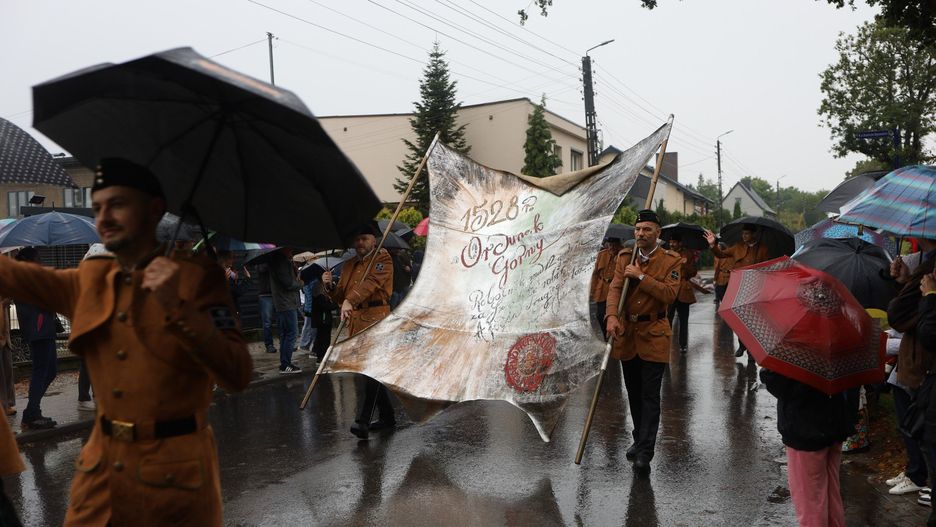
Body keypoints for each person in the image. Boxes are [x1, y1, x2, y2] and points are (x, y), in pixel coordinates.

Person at [0, 158, 253, 525]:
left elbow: (237, 373)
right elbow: (13, 276)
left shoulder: (199, 280)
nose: (104, 217)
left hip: (175, 480)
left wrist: (178, 307)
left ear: (153, 209)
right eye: (98, 207)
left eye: (117, 204)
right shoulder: (92, 277)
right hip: (100, 475)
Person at [605, 209, 680, 475]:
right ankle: (639, 438)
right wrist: (611, 316)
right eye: (638, 229)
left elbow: (669, 294)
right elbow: (615, 288)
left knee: (650, 396)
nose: (641, 234)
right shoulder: (625, 257)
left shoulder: (671, 260)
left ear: (658, 233)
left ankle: (646, 452)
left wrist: (640, 277)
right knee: (634, 393)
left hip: (654, 334)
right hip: (628, 335)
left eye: (647, 229)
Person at [759, 369, 858, 527]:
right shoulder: (836, 356)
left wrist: (766, 371)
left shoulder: (798, 355)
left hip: (805, 428)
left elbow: (779, 384)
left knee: (810, 501)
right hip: (834, 423)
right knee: (831, 495)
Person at [322, 222, 394, 440]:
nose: (360, 243)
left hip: (376, 320)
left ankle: (362, 420)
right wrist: (330, 286)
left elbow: (371, 284)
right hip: (355, 323)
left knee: (372, 369)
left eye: (364, 239)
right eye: (357, 239)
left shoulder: (382, 259)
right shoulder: (349, 265)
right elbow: (341, 296)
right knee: (368, 370)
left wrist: (350, 300)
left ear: (373, 240)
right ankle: (388, 416)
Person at [889, 241, 936, 515]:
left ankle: (923, 478)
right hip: (917, 362)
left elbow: (928, 331)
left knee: (925, 430)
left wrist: (929, 296)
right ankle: (918, 473)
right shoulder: (925, 264)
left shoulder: (930, 268)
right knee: (916, 426)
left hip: (924, 366)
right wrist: (907, 281)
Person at [704, 225, 770, 357]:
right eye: (743, 233)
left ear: (754, 234)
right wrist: (713, 245)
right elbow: (721, 254)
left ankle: (752, 353)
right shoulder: (738, 247)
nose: (744, 236)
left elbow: (767, 268)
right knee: (739, 318)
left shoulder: (763, 249)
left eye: (747, 233)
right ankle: (742, 345)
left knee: (752, 322)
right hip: (739, 287)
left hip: (755, 289)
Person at [14, 247, 60, 430]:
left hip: (44, 328)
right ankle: (31, 415)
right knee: (41, 371)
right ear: (30, 261)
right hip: (38, 329)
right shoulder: (26, 278)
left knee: (51, 371)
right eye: (38, 258)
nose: (41, 262)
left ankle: (32, 411)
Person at [269, 248, 302, 374]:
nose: (292, 250)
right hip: (286, 303)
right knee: (291, 333)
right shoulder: (280, 262)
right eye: (289, 248)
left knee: (285, 334)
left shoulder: (280, 260)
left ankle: (284, 363)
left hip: (284, 303)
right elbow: (288, 283)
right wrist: (300, 283)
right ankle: (286, 364)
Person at [665, 233, 697, 353]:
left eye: (674, 242)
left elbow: (693, 272)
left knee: (683, 319)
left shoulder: (688, 254)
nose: (671, 244)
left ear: (680, 243)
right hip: (669, 289)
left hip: (683, 290)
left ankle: (683, 344)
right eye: (670, 242)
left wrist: (684, 265)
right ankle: (665, 343)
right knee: (667, 318)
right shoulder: (666, 254)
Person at [590, 237, 622, 339]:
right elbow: (595, 274)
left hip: (615, 290)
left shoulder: (623, 256)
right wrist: (592, 289)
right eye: (609, 245)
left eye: (614, 245)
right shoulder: (602, 255)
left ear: (619, 245)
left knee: (612, 314)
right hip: (601, 289)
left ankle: (612, 338)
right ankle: (605, 337)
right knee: (599, 315)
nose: (611, 248)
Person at [254, 261, 277, 354]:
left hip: (277, 293)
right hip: (265, 294)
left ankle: (284, 342)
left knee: (281, 320)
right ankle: (269, 345)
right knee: (267, 322)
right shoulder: (260, 261)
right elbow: (261, 269)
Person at [0, 295, 14, 416]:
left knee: (8, 370)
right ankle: (3, 405)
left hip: (5, 336)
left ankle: (8, 403)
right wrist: (3, 304)